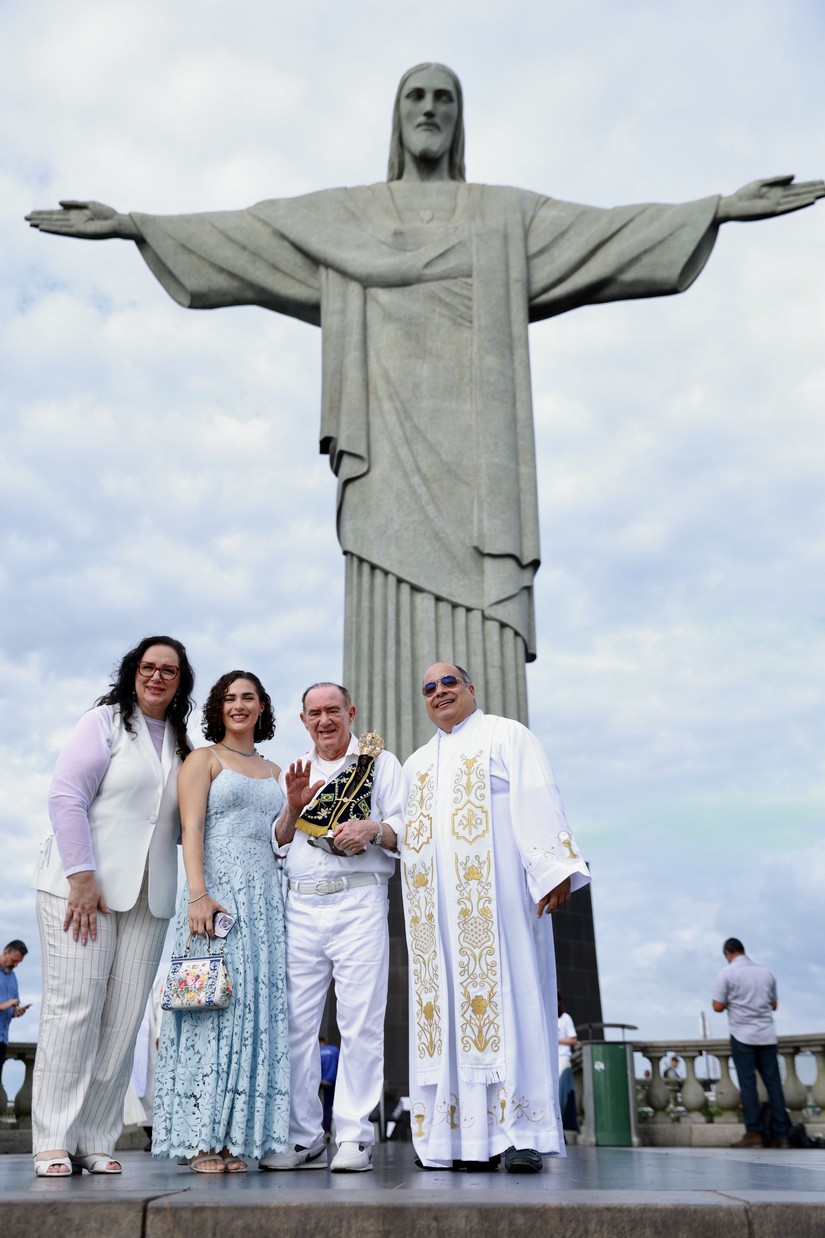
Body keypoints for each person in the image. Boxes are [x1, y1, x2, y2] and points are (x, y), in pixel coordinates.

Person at [25, 67, 824, 759]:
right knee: (380, 597)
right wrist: (136, 225)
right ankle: (386, 781)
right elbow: (249, 236)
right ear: (398, 117)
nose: (430, 110)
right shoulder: (346, 219)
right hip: (385, 453)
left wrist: (715, 208)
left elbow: (606, 235)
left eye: (445, 97)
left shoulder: (503, 217)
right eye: (416, 97)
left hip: (480, 465)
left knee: (484, 625)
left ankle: (489, 784)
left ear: (458, 116)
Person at [401, 662, 590, 1173]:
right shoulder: (416, 764)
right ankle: (459, 1140)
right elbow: (399, 826)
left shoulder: (507, 735)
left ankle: (520, 1133)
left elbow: (537, 795)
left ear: (470, 689)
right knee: (446, 1017)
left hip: (499, 902)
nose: (439, 692)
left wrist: (552, 868)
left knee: (515, 1000)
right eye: (429, 688)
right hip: (438, 918)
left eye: (448, 683)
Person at [32, 636, 194, 1178]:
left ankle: (96, 1137)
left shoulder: (181, 742)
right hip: (84, 891)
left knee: (123, 1021)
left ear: (180, 681)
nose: (157, 677)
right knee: (74, 1008)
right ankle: (53, 1136)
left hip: (149, 898)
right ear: (133, 674)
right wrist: (81, 877)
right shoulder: (102, 723)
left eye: (169, 671)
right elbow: (65, 796)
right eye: (148, 667)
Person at [263, 682, 405, 1173]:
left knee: (359, 1021)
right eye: (314, 713)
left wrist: (373, 829)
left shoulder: (380, 765)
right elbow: (279, 842)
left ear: (351, 712)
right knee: (297, 1024)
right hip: (301, 905)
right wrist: (292, 809)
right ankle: (304, 1135)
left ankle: (353, 1135)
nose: (324, 720)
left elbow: (408, 828)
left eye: (333, 711)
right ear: (303, 719)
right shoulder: (294, 770)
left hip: (359, 899)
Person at [152, 671, 290, 1174]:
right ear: (218, 707)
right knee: (209, 1008)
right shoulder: (202, 759)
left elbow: (282, 836)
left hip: (265, 905)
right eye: (229, 698)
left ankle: (235, 1139)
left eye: (247, 697)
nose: (238, 705)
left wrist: (294, 803)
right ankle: (200, 1139)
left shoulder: (275, 769)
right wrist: (198, 894)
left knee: (252, 1013)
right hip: (215, 898)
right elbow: (190, 828)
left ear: (261, 707)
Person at [712, 937, 791, 1149]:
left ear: (728, 954)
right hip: (766, 1034)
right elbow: (773, 1005)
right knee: (774, 1085)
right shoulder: (766, 973)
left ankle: (754, 1132)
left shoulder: (727, 973)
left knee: (748, 1085)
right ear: (742, 950)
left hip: (742, 1035)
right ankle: (782, 1135)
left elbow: (718, 1006)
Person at [0, 940, 29, 1082]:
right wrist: (4, 1005)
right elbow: (5, 1005)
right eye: (13, 961)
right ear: (5, 952)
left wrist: (16, 1012)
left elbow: (11, 1008)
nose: (15, 965)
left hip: (2, 1039)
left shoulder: (13, 977)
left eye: (18, 962)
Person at [557, 995, 578, 1133]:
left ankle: (563, 1128)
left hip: (562, 1058)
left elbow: (573, 1040)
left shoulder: (565, 1018)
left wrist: (557, 1040)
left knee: (561, 1095)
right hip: (551, 1059)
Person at [319, 1036, 340, 1142]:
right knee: (328, 1107)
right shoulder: (334, 1050)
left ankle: (315, 1132)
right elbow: (339, 1064)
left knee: (315, 1106)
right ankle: (327, 1131)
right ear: (325, 1041)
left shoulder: (316, 1051)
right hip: (330, 1081)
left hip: (318, 1082)